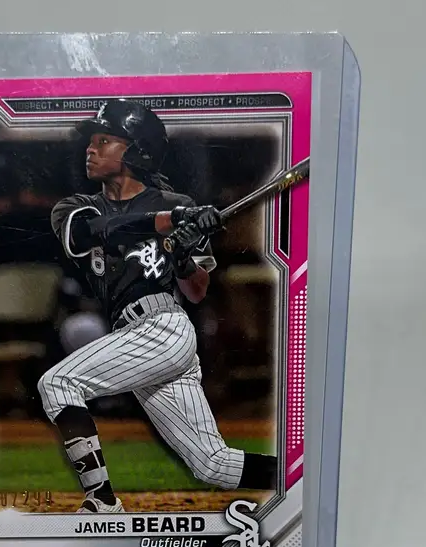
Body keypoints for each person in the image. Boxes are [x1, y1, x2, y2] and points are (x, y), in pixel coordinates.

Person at [38, 99, 277, 513]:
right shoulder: (76, 207)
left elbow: (197, 290)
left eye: (104, 141)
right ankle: (298, 475)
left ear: (138, 151)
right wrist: (170, 220)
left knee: (57, 383)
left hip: (164, 328)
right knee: (213, 464)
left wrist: (183, 255)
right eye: (92, 142)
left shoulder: (175, 201)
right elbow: (92, 233)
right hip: (131, 334)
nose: (90, 149)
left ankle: (102, 502)